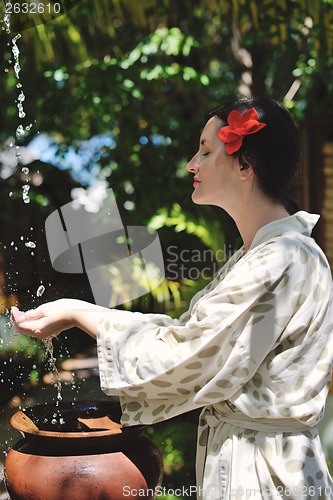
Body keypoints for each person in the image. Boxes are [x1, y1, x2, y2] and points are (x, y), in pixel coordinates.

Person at [11, 97, 333, 499]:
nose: (191, 164)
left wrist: (80, 312)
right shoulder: (264, 255)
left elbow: (186, 354)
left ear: (245, 166)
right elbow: (190, 335)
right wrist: (80, 312)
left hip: (265, 473)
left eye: (205, 150)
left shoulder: (283, 258)